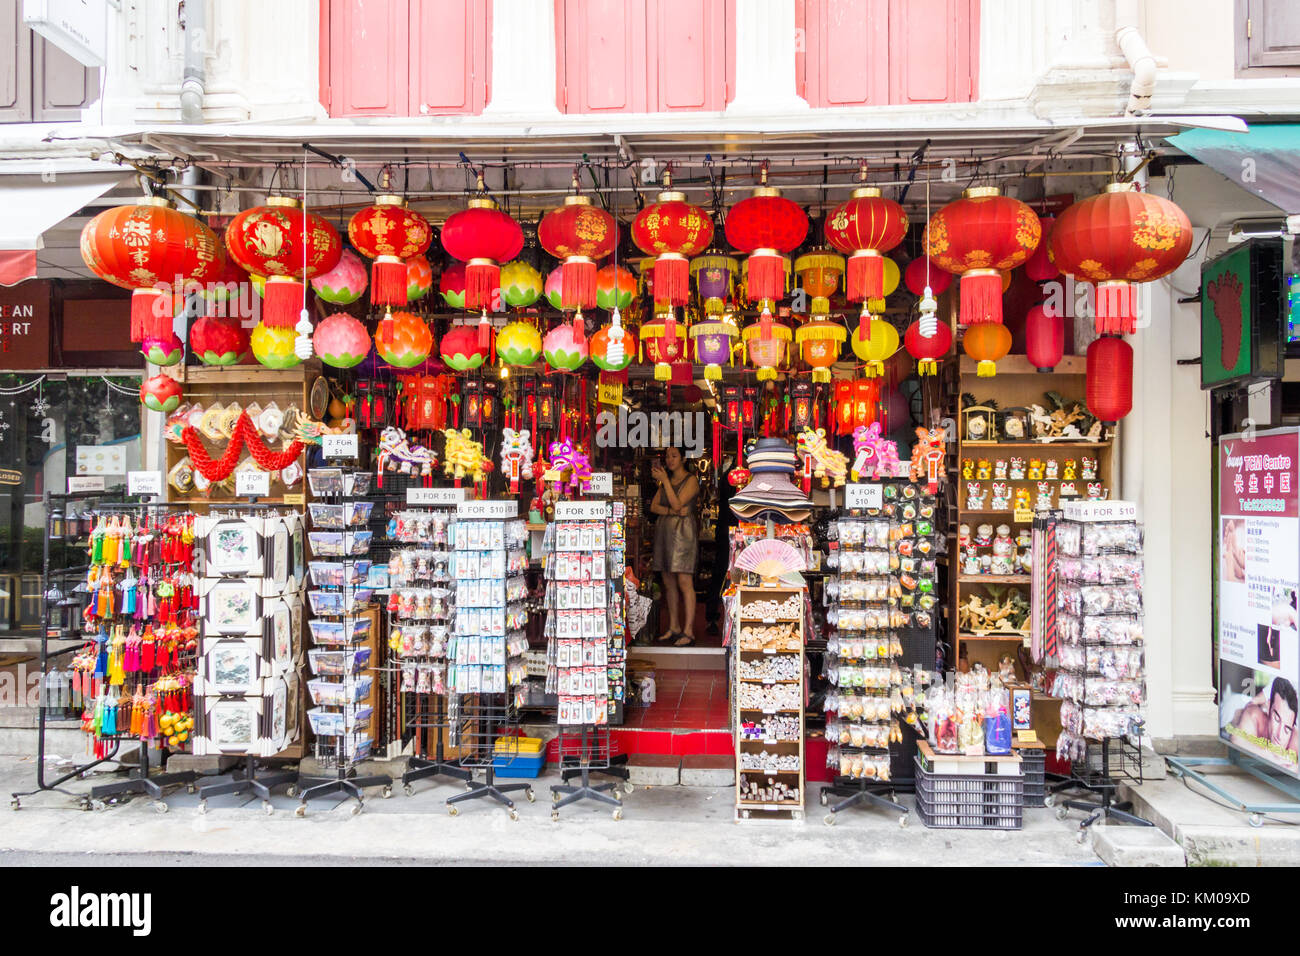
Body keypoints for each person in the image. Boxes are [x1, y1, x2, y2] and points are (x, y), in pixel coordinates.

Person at [650, 446, 700, 646]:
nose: (670, 460)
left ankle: (688, 631)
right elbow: (654, 507)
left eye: (674, 456)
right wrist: (670, 511)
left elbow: (678, 503)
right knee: (668, 581)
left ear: (683, 459)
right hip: (665, 533)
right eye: (667, 457)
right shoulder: (666, 482)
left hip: (683, 535)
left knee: (684, 581)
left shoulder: (691, 480)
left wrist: (665, 486)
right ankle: (674, 626)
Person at [1231, 676, 1298, 757]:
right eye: (1277, 719)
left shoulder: (1295, 738)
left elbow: (1294, 767)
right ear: (1269, 706)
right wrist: (1269, 755)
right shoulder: (1254, 715)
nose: (1279, 735)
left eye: (1287, 729)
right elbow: (1236, 739)